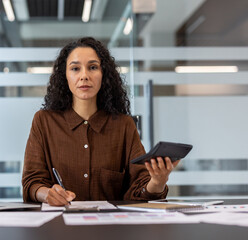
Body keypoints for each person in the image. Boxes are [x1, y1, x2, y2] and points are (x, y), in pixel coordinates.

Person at [22, 37, 180, 206]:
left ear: (103, 74)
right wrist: (46, 194)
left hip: (111, 227)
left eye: (93, 67)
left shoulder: (124, 126)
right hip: (59, 226)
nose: (84, 76)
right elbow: (32, 182)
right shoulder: (44, 121)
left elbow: (140, 186)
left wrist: (157, 181)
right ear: (65, 75)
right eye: (75, 68)